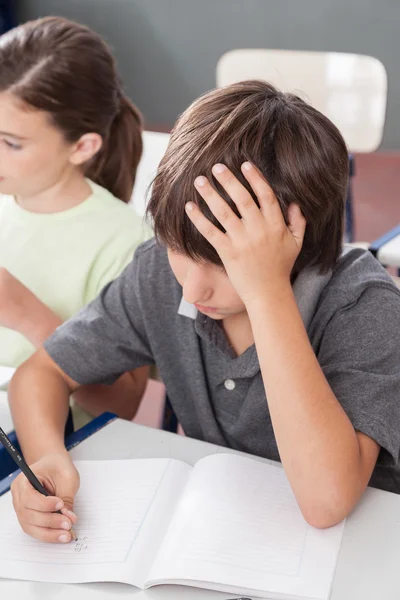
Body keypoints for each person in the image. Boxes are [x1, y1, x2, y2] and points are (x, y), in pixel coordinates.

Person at [9, 80, 400, 544]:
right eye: (179, 250)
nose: (192, 289)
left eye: (224, 264)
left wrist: (266, 292)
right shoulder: (159, 272)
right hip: (229, 528)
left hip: (357, 549)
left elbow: (325, 502)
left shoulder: (363, 307)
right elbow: (42, 372)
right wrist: (46, 455)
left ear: (295, 238)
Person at [0, 16, 150, 426]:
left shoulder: (127, 244)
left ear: (82, 146)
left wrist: (27, 315)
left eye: (11, 143)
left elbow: (120, 404)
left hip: (55, 443)